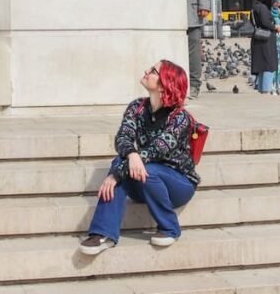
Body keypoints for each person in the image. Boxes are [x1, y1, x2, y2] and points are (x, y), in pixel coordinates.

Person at [78, 60, 199, 256]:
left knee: (138, 168)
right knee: (122, 161)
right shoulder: (136, 107)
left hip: (178, 184)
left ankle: (170, 228)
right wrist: (130, 156)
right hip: (144, 182)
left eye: (153, 71)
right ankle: (103, 234)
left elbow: (156, 150)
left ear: (164, 83)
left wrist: (115, 174)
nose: (146, 71)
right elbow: (123, 137)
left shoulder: (179, 118)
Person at [178, 0, 211, 99]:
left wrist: (204, 5)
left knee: (193, 51)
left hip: (191, 11)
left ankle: (194, 85)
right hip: (170, 10)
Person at [250, 0, 280, 94]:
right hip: (266, 39)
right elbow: (265, 22)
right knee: (268, 64)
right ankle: (266, 89)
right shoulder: (263, 8)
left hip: (257, 37)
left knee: (261, 65)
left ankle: (261, 90)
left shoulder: (254, 7)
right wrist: (276, 27)